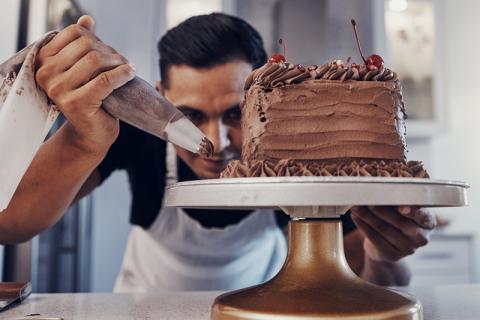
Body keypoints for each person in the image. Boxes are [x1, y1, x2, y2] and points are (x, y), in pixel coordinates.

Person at [0, 13, 436, 291]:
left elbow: (374, 280)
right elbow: (10, 224)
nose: (217, 142)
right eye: (189, 115)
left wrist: (386, 253)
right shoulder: (135, 134)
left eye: (235, 114)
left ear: (269, 98)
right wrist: (83, 139)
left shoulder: (297, 158)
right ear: (160, 97)